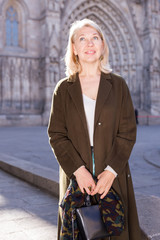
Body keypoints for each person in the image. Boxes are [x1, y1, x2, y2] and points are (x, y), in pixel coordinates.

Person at [48, 19, 142, 240]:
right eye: (82, 39)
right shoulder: (63, 89)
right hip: (76, 179)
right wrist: (78, 171)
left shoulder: (118, 85)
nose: (89, 43)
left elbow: (127, 132)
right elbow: (56, 134)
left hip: (112, 177)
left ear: (102, 46)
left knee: (117, 232)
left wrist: (111, 171)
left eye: (95, 38)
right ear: (74, 48)